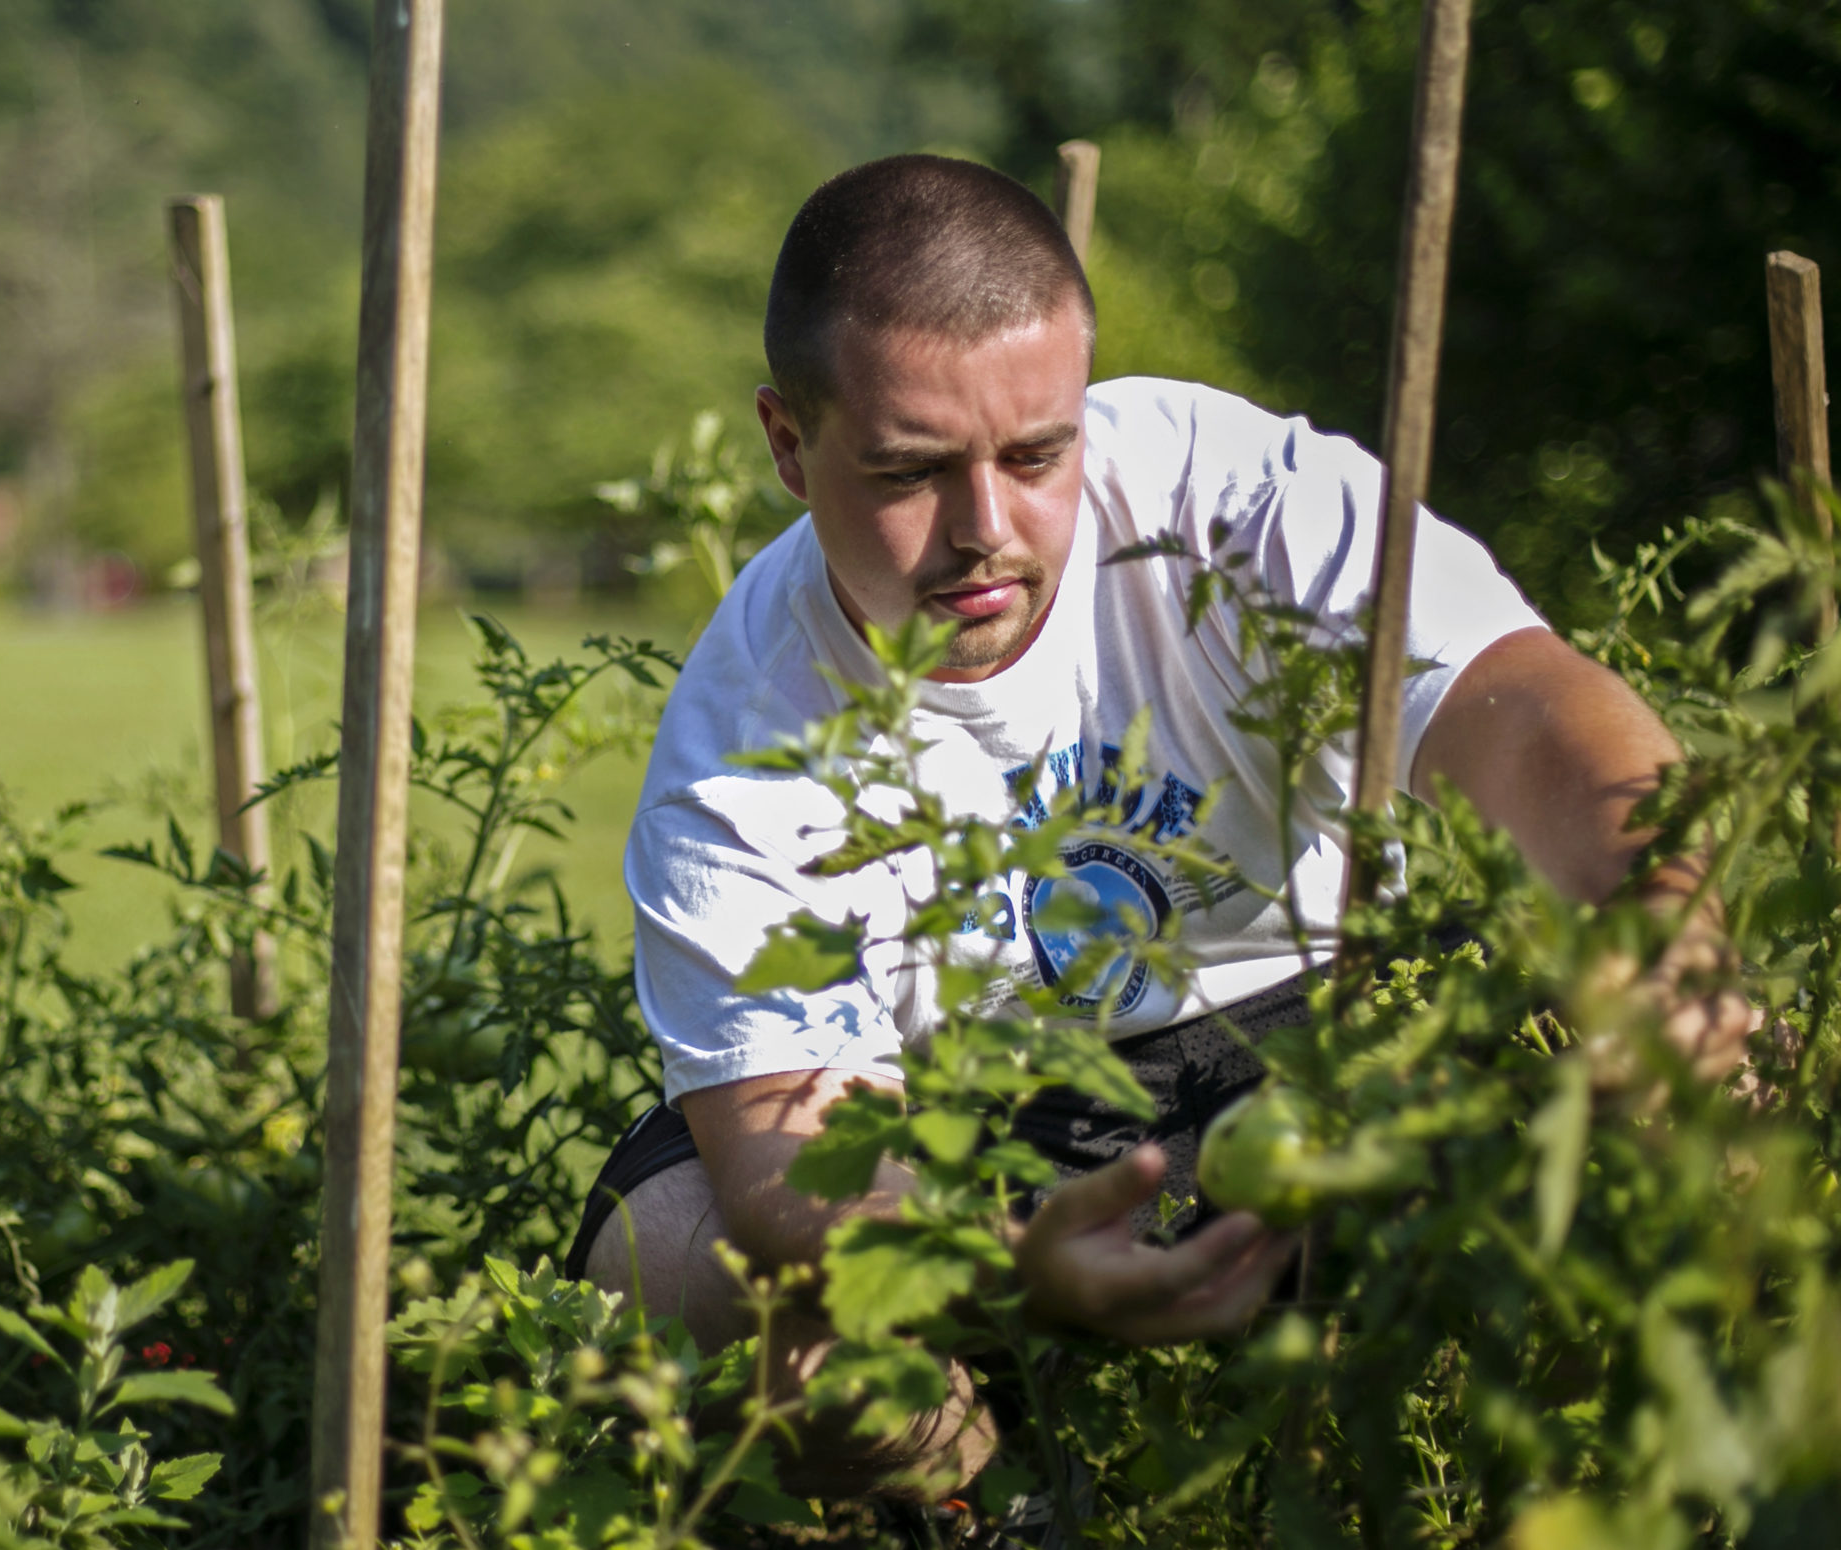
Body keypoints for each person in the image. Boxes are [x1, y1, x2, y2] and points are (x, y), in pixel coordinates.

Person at [565, 153, 1753, 1502]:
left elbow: (1528, 711)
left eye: (1035, 454)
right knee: (677, 1266)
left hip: (1301, 1031)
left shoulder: (1230, 504)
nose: (986, 530)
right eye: (909, 472)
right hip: (948, 1117)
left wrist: (1664, 937)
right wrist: (1014, 1267)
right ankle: (998, 1507)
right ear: (790, 444)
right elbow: (790, 1166)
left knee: (1709, 1083)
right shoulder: (742, 748)